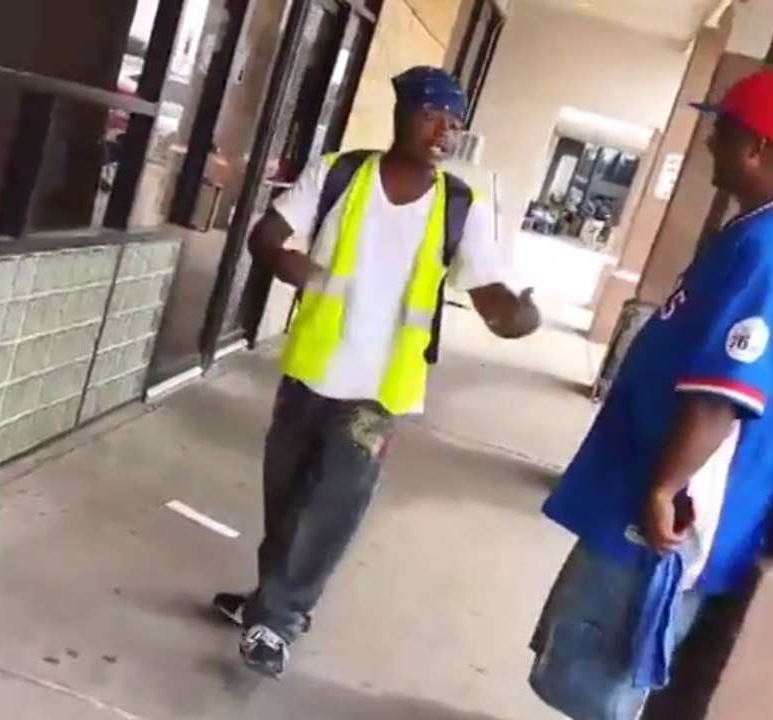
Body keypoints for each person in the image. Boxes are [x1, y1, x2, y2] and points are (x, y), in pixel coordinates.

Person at [212, 66, 541, 678]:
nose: (443, 132)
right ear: (401, 113)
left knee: (332, 508)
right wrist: (290, 264)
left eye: (454, 122)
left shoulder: (460, 207)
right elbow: (266, 235)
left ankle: (278, 621)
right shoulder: (338, 174)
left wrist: (514, 315)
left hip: (379, 392)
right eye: (431, 115)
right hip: (310, 370)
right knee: (285, 497)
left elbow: (489, 291)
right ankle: (269, 600)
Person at [529, 69, 773, 719]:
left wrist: (665, 489)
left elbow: (724, 392)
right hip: (649, 488)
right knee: (581, 666)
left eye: (722, 132)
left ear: (756, 146)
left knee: (600, 681)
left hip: (674, 510)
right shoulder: (762, 232)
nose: (710, 144)